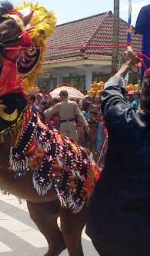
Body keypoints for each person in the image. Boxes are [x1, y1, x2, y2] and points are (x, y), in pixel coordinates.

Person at [86, 47, 150, 256]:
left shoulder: (121, 118)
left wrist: (124, 66)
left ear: (142, 93)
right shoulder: (122, 117)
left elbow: (111, 90)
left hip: (106, 229)